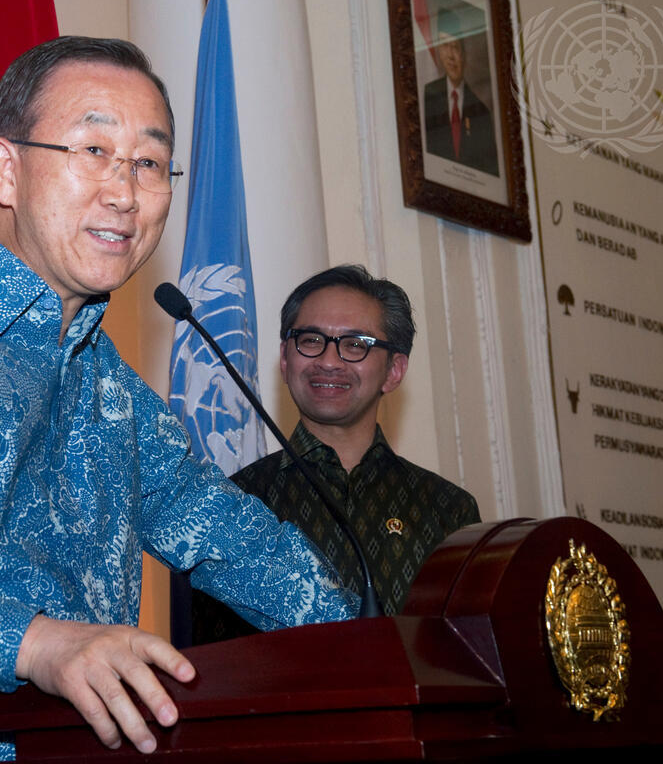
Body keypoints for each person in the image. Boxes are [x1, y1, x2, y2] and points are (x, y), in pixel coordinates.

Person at [0, 36, 357, 764]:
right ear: (6, 170)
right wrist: (37, 644)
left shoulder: (115, 392)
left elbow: (237, 543)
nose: (125, 193)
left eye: (148, 163)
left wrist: (378, 646)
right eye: (94, 151)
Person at [191, 265, 481, 644]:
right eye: (311, 340)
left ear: (394, 371)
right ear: (284, 360)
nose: (328, 361)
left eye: (355, 344)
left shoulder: (448, 511)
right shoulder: (235, 502)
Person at [422, 10, 499, 176]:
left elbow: (489, 172)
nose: (451, 55)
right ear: (438, 51)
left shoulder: (481, 112)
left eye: (455, 47)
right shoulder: (427, 96)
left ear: (464, 55)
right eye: (445, 45)